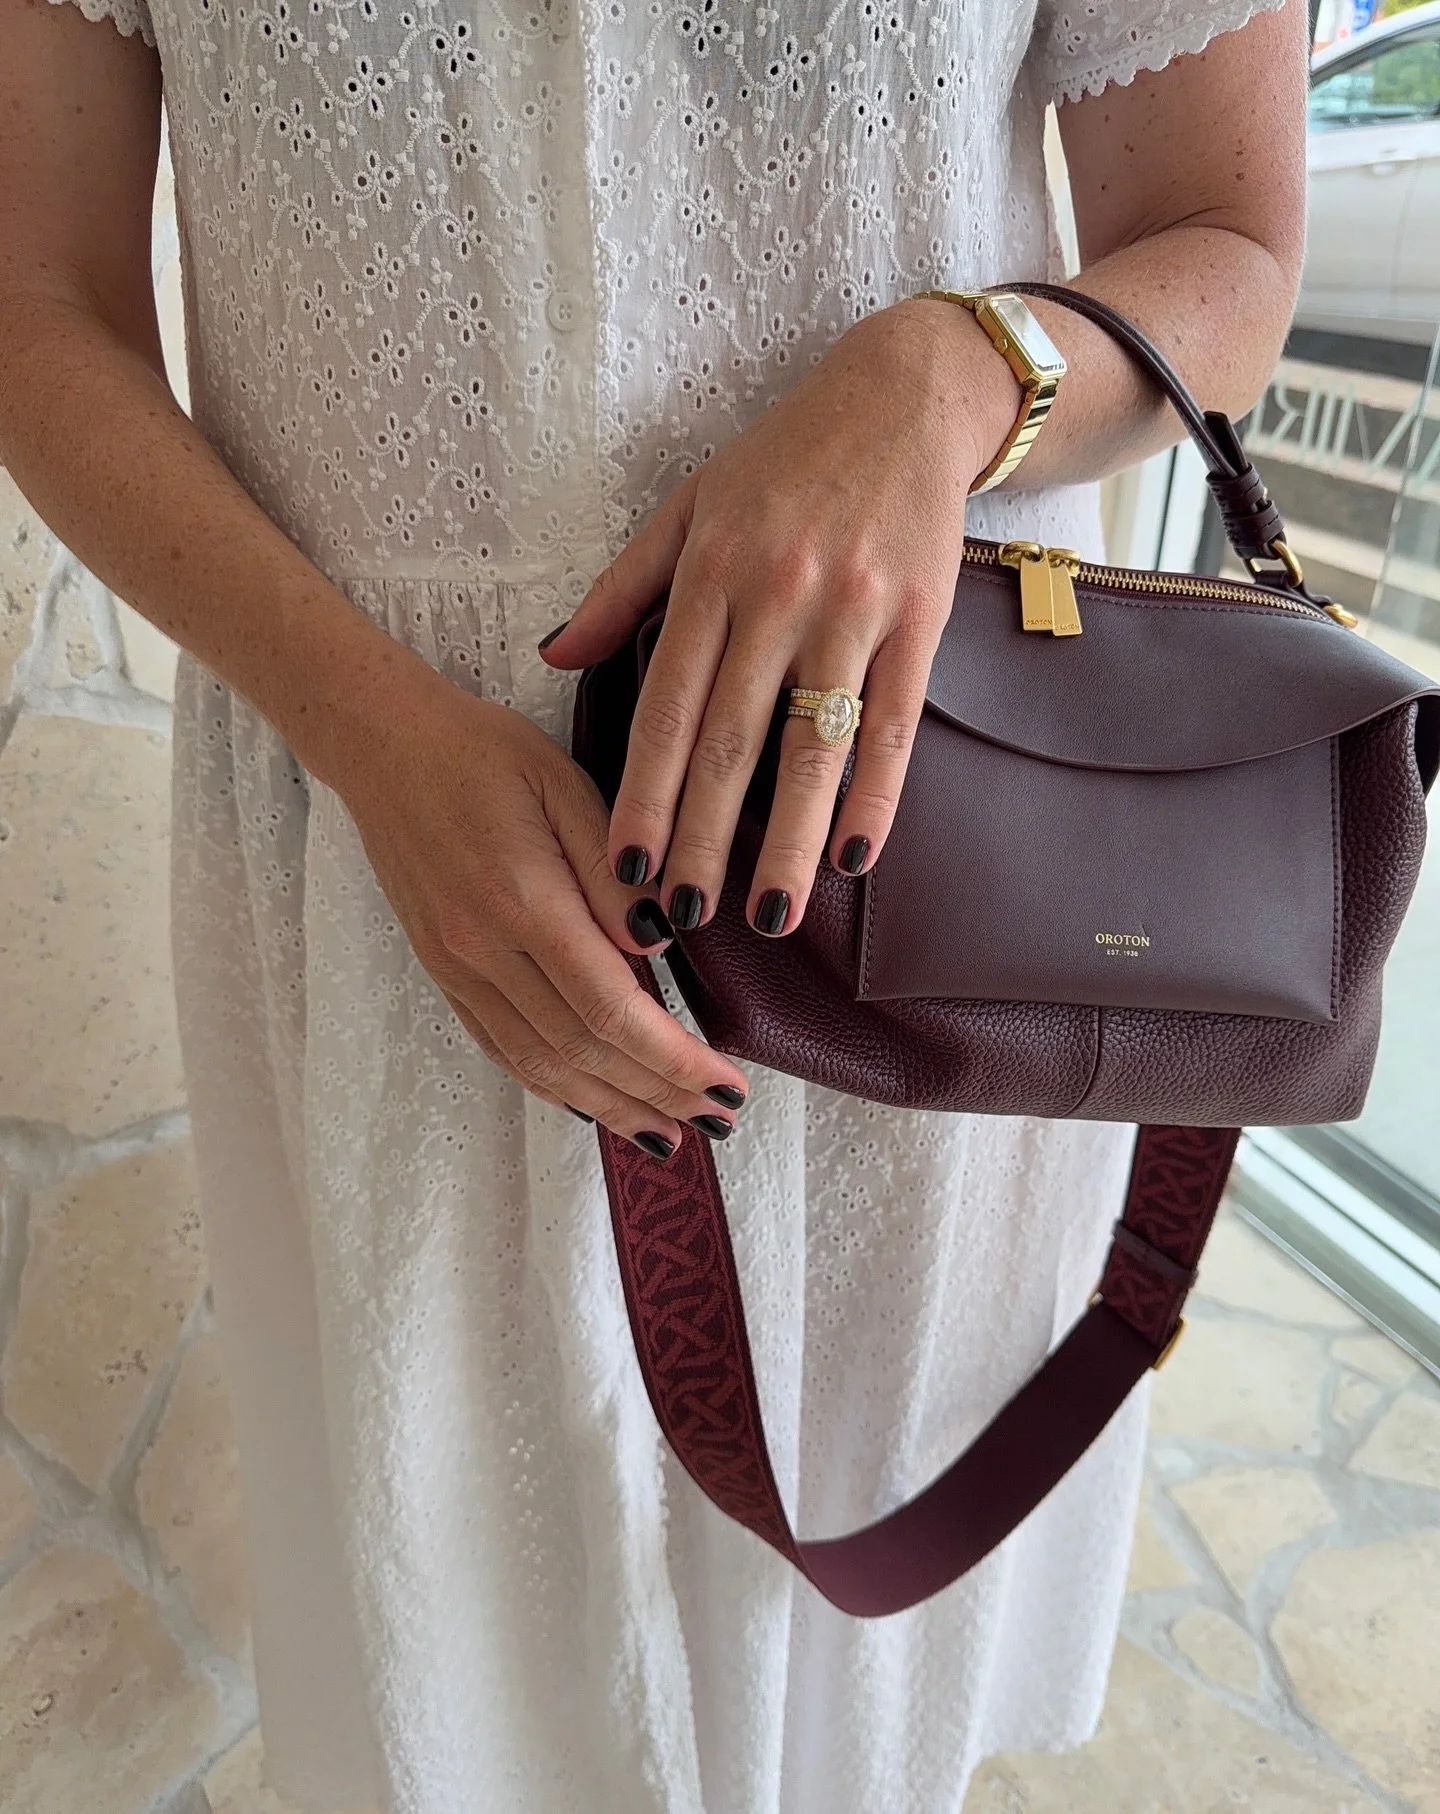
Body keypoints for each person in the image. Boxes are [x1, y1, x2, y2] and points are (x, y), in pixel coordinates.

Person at [0, 1, 1307, 1808]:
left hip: (891, 840)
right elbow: (38, 300)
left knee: (850, 1655)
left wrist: (945, 379)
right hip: (387, 877)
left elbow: (1230, 248)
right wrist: (364, 730)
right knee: (450, 1653)